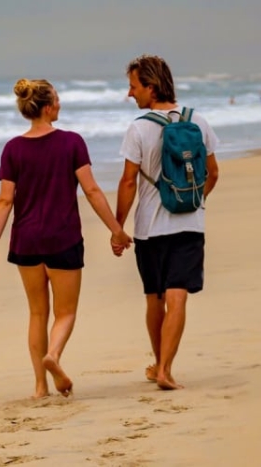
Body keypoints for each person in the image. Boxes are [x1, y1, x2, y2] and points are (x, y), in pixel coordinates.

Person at [0, 78, 132, 399]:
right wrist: (116, 229)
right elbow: (91, 190)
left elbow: (4, 200)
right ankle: (53, 355)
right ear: (48, 107)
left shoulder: (13, 148)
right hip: (63, 239)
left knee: (38, 313)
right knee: (65, 313)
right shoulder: (71, 143)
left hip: (25, 241)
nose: (61, 104)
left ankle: (40, 387)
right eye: (58, 100)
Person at [114, 54, 220, 390]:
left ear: (151, 86)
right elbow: (213, 173)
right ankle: (165, 369)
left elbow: (129, 181)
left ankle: (159, 363)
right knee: (178, 297)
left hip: (150, 228)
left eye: (134, 87)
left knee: (154, 297)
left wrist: (118, 226)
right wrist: (194, 202)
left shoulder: (139, 128)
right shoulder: (197, 120)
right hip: (190, 226)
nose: (131, 94)